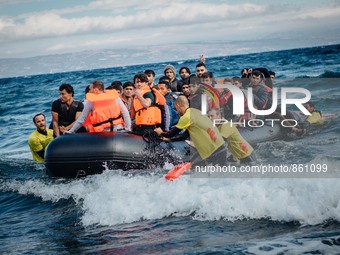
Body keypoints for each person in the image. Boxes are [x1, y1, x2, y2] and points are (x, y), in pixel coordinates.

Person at [154, 95, 227, 167]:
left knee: (194, 170)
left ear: (178, 105)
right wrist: (169, 140)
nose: (177, 112)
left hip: (213, 151)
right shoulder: (195, 112)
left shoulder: (186, 117)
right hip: (221, 148)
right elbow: (184, 136)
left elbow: (170, 134)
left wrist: (161, 133)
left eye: (176, 109)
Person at [67, 80, 131, 133]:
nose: (89, 91)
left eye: (90, 89)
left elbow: (81, 119)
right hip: (118, 129)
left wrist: (71, 131)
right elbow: (125, 113)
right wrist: (127, 128)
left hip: (103, 132)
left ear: (96, 90)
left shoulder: (91, 102)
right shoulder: (115, 97)